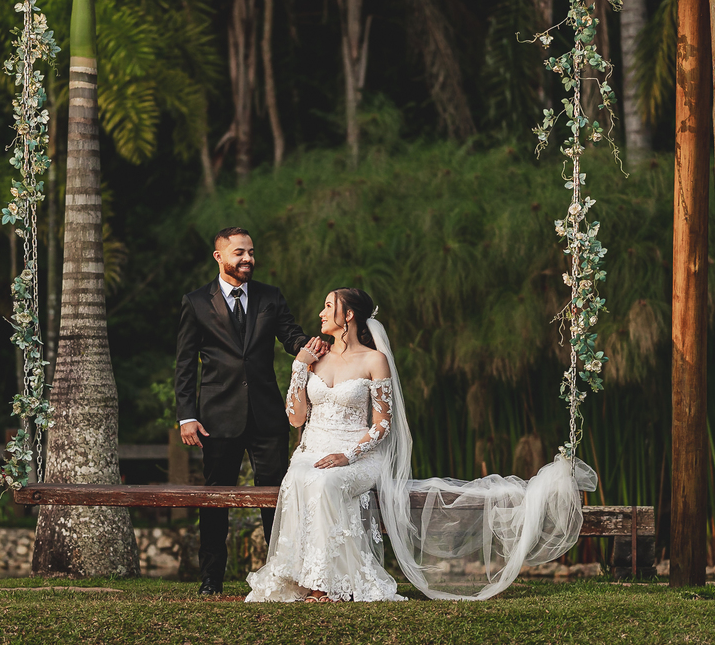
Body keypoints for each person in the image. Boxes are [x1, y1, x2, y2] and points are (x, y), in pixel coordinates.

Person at [245, 287, 597, 603]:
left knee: (325, 483)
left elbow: (383, 425)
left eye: (328, 306)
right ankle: (302, 579)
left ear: (348, 315)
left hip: (359, 454)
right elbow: (295, 418)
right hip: (311, 451)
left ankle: (326, 585)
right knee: (301, 479)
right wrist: (299, 367)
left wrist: (347, 455)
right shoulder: (314, 356)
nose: (320, 314)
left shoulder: (374, 360)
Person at [175, 227, 328, 596]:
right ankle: (211, 578)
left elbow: (291, 336)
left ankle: (283, 572)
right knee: (215, 499)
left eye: (251, 253)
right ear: (219, 257)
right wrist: (186, 415)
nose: (247, 259)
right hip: (216, 417)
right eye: (240, 253)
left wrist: (311, 345)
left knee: (276, 496)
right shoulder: (196, 302)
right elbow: (184, 364)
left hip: (266, 415)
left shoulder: (269, 297)